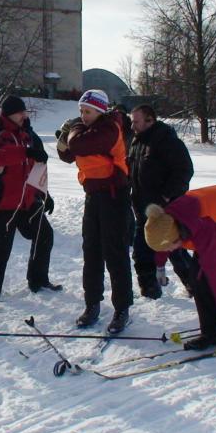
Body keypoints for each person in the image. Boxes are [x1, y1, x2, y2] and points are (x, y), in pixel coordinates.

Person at [144, 183, 216, 351]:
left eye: (169, 247)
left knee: (215, 272)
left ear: (177, 238)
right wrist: (160, 266)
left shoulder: (200, 227)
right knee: (196, 276)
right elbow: (162, 242)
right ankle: (210, 333)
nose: (169, 251)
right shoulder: (166, 220)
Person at [57, 89, 133, 333]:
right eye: (81, 111)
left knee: (115, 253)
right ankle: (92, 303)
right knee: (91, 251)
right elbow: (66, 154)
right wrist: (66, 137)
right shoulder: (88, 129)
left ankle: (122, 308)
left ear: (100, 111)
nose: (83, 115)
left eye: (87, 111)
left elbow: (77, 144)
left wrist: (72, 130)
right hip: (93, 196)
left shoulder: (109, 127)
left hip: (114, 196)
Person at [0, 96, 58, 298]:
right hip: (2, 203)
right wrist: (27, 152)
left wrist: (44, 193)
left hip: (27, 201)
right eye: (20, 112)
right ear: (9, 114)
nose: (25, 115)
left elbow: (33, 168)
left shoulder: (26, 135)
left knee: (44, 236)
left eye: (25, 112)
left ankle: (38, 280)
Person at [129, 104, 195, 299]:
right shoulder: (137, 141)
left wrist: (166, 196)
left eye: (136, 122)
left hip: (165, 210)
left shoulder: (167, 140)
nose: (132, 126)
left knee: (175, 251)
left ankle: (196, 286)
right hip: (141, 209)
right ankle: (149, 290)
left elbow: (185, 170)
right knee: (141, 251)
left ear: (150, 120)